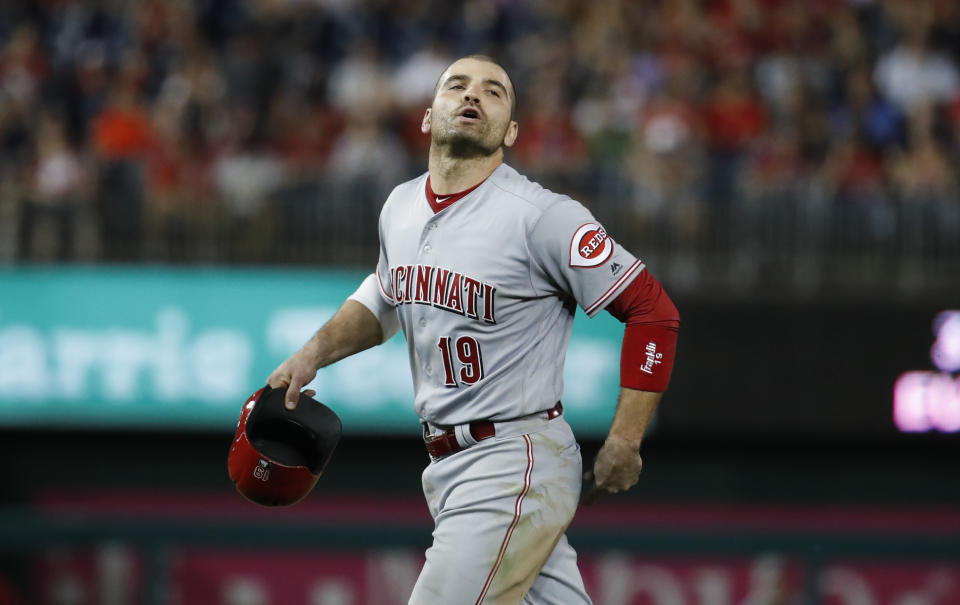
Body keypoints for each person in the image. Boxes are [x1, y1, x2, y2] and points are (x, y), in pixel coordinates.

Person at [267, 55, 680, 605]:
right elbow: (386, 296)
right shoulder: (400, 207)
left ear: (510, 130)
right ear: (427, 115)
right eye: (457, 85)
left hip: (513, 460)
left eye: (494, 92)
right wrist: (313, 352)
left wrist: (626, 438)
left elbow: (654, 312)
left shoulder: (543, 217)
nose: (472, 95)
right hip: (450, 466)